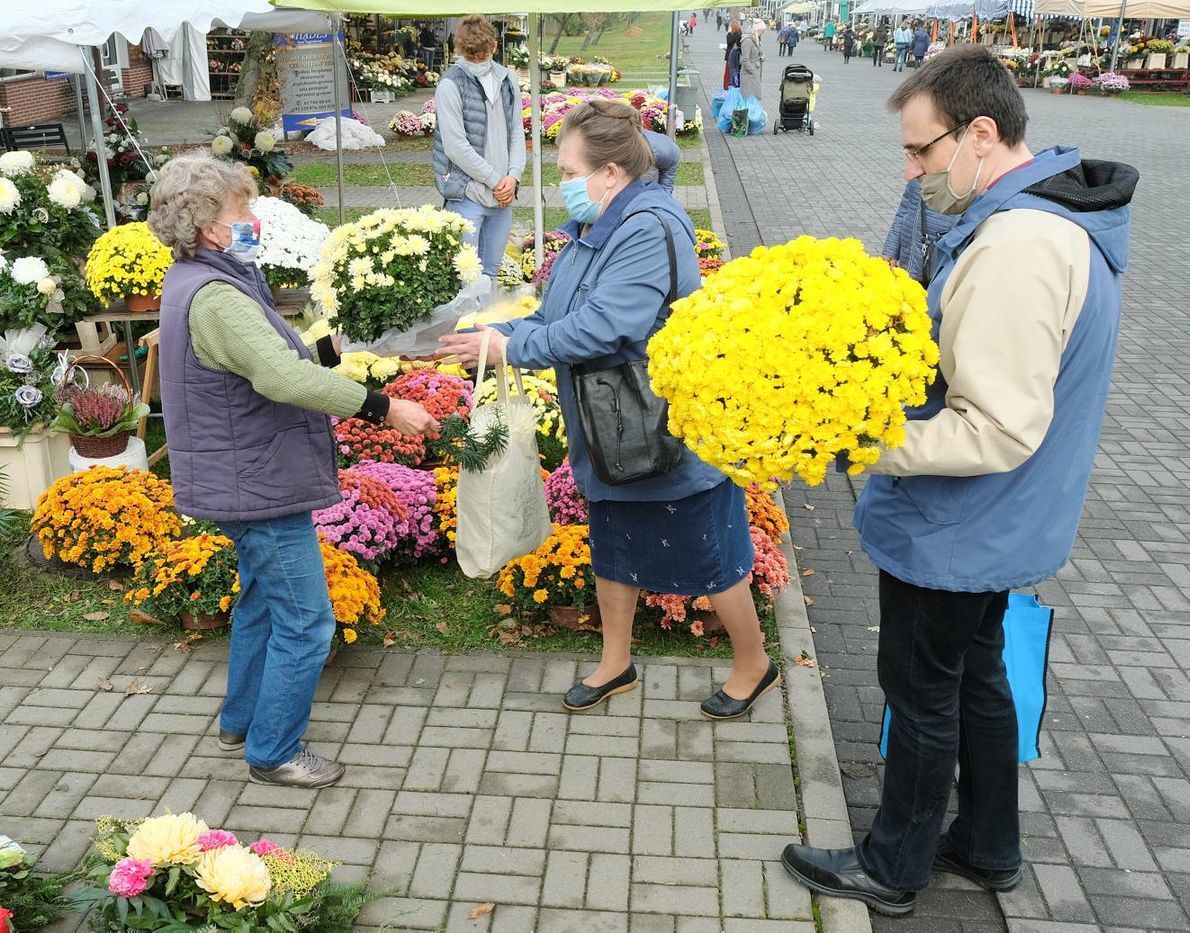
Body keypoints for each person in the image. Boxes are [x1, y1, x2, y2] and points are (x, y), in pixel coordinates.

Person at [780, 45, 1137, 917]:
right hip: (1002, 521)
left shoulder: (1017, 245)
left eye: (921, 151)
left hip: (961, 523)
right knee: (976, 674)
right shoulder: (1046, 219)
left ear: (982, 133)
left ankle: (894, 866)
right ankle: (986, 842)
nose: (912, 171)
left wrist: (863, 436)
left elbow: (997, 424)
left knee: (920, 687)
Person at [437, 101, 779, 719]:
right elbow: (554, 316)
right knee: (613, 546)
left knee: (710, 551)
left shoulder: (647, 227)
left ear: (612, 173)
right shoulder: (595, 229)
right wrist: (498, 334)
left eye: (569, 168)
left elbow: (603, 327)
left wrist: (513, 346)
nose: (562, 180)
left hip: (663, 427)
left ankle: (754, 663)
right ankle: (616, 662)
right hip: (610, 427)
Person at [147, 156, 437, 789]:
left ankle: (242, 721)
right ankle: (274, 751)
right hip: (256, 480)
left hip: (244, 471)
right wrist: (384, 407)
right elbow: (279, 376)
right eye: (241, 213)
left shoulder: (206, 277)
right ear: (210, 229)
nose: (253, 221)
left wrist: (344, 343)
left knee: (260, 604)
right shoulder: (217, 295)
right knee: (307, 621)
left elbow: (277, 354)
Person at [433, 15, 525, 281]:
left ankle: (487, 324)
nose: (477, 59)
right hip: (467, 196)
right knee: (464, 277)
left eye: (482, 53)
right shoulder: (450, 85)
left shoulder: (508, 81)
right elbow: (455, 147)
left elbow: (516, 133)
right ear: (461, 50)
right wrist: (497, 180)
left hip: (503, 197)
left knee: (490, 274)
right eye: (471, 54)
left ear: (494, 47)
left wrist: (513, 177)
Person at [882, 179, 955, 286]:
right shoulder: (917, 173)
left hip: (937, 264)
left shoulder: (959, 175)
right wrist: (891, 250)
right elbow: (904, 209)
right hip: (909, 259)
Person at [740, 22, 766, 100]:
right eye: (762, 31)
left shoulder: (756, 40)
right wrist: (752, 70)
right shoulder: (747, 41)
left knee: (754, 97)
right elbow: (745, 59)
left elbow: (759, 52)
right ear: (756, 30)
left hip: (755, 71)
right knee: (748, 96)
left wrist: (762, 57)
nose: (762, 34)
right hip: (749, 73)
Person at [725, 20, 742, 90]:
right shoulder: (740, 34)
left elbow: (729, 42)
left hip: (732, 57)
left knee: (729, 74)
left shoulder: (734, 35)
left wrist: (729, 33)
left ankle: (728, 87)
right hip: (736, 57)